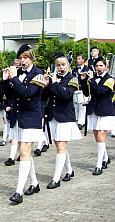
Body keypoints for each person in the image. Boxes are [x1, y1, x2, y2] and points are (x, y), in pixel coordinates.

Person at [1, 44, 46, 204]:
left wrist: (14, 78)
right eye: (20, 58)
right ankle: (34, 183)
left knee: (25, 152)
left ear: (31, 57)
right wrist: (6, 80)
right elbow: (10, 95)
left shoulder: (38, 74)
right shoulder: (18, 73)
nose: (22, 60)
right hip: (18, 117)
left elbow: (27, 94)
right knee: (24, 151)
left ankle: (19, 191)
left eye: (25, 57)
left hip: (32, 117)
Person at [44, 52, 82, 189]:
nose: (60, 68)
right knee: (58, 145)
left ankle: (56, 178)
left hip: (65, 116)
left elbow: (66, 95)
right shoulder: (54, 78)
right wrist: (46, 84)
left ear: (68, 65)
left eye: (63, 65)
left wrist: (54, 83)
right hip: (53, 115)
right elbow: (46, 97)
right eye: (58, 65)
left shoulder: (72, 79)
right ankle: (70, 170)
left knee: (60, 146)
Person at [81, 56, 114, 175]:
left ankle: (99, 165)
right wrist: (84, 80)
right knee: (97, 137)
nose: (99, 68)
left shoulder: (110, 79)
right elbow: (86, 92)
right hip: (94, 110)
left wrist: (92, 80)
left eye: (101, 65)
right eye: (97, 66)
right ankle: (105, 158)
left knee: (101, 137)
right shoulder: (92, 79)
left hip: (105, 111)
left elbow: (100, 92)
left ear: (105, 66)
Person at [0, 59, 19, 147]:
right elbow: (1, 93)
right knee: (6, 122)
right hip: (5, 104)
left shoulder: (18, 79)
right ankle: (4, 139)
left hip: (16, 107)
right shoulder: (6, 81)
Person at [71, 54, 89, 129]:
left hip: (83, 90)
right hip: (76, 90)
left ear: (83, 60)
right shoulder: (74, 70)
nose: (78, 60)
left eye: (79, 59)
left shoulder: (86, 69)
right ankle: (78, 120)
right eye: (77, 59)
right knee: (76, 106)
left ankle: (81, 122)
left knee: (82, 107)